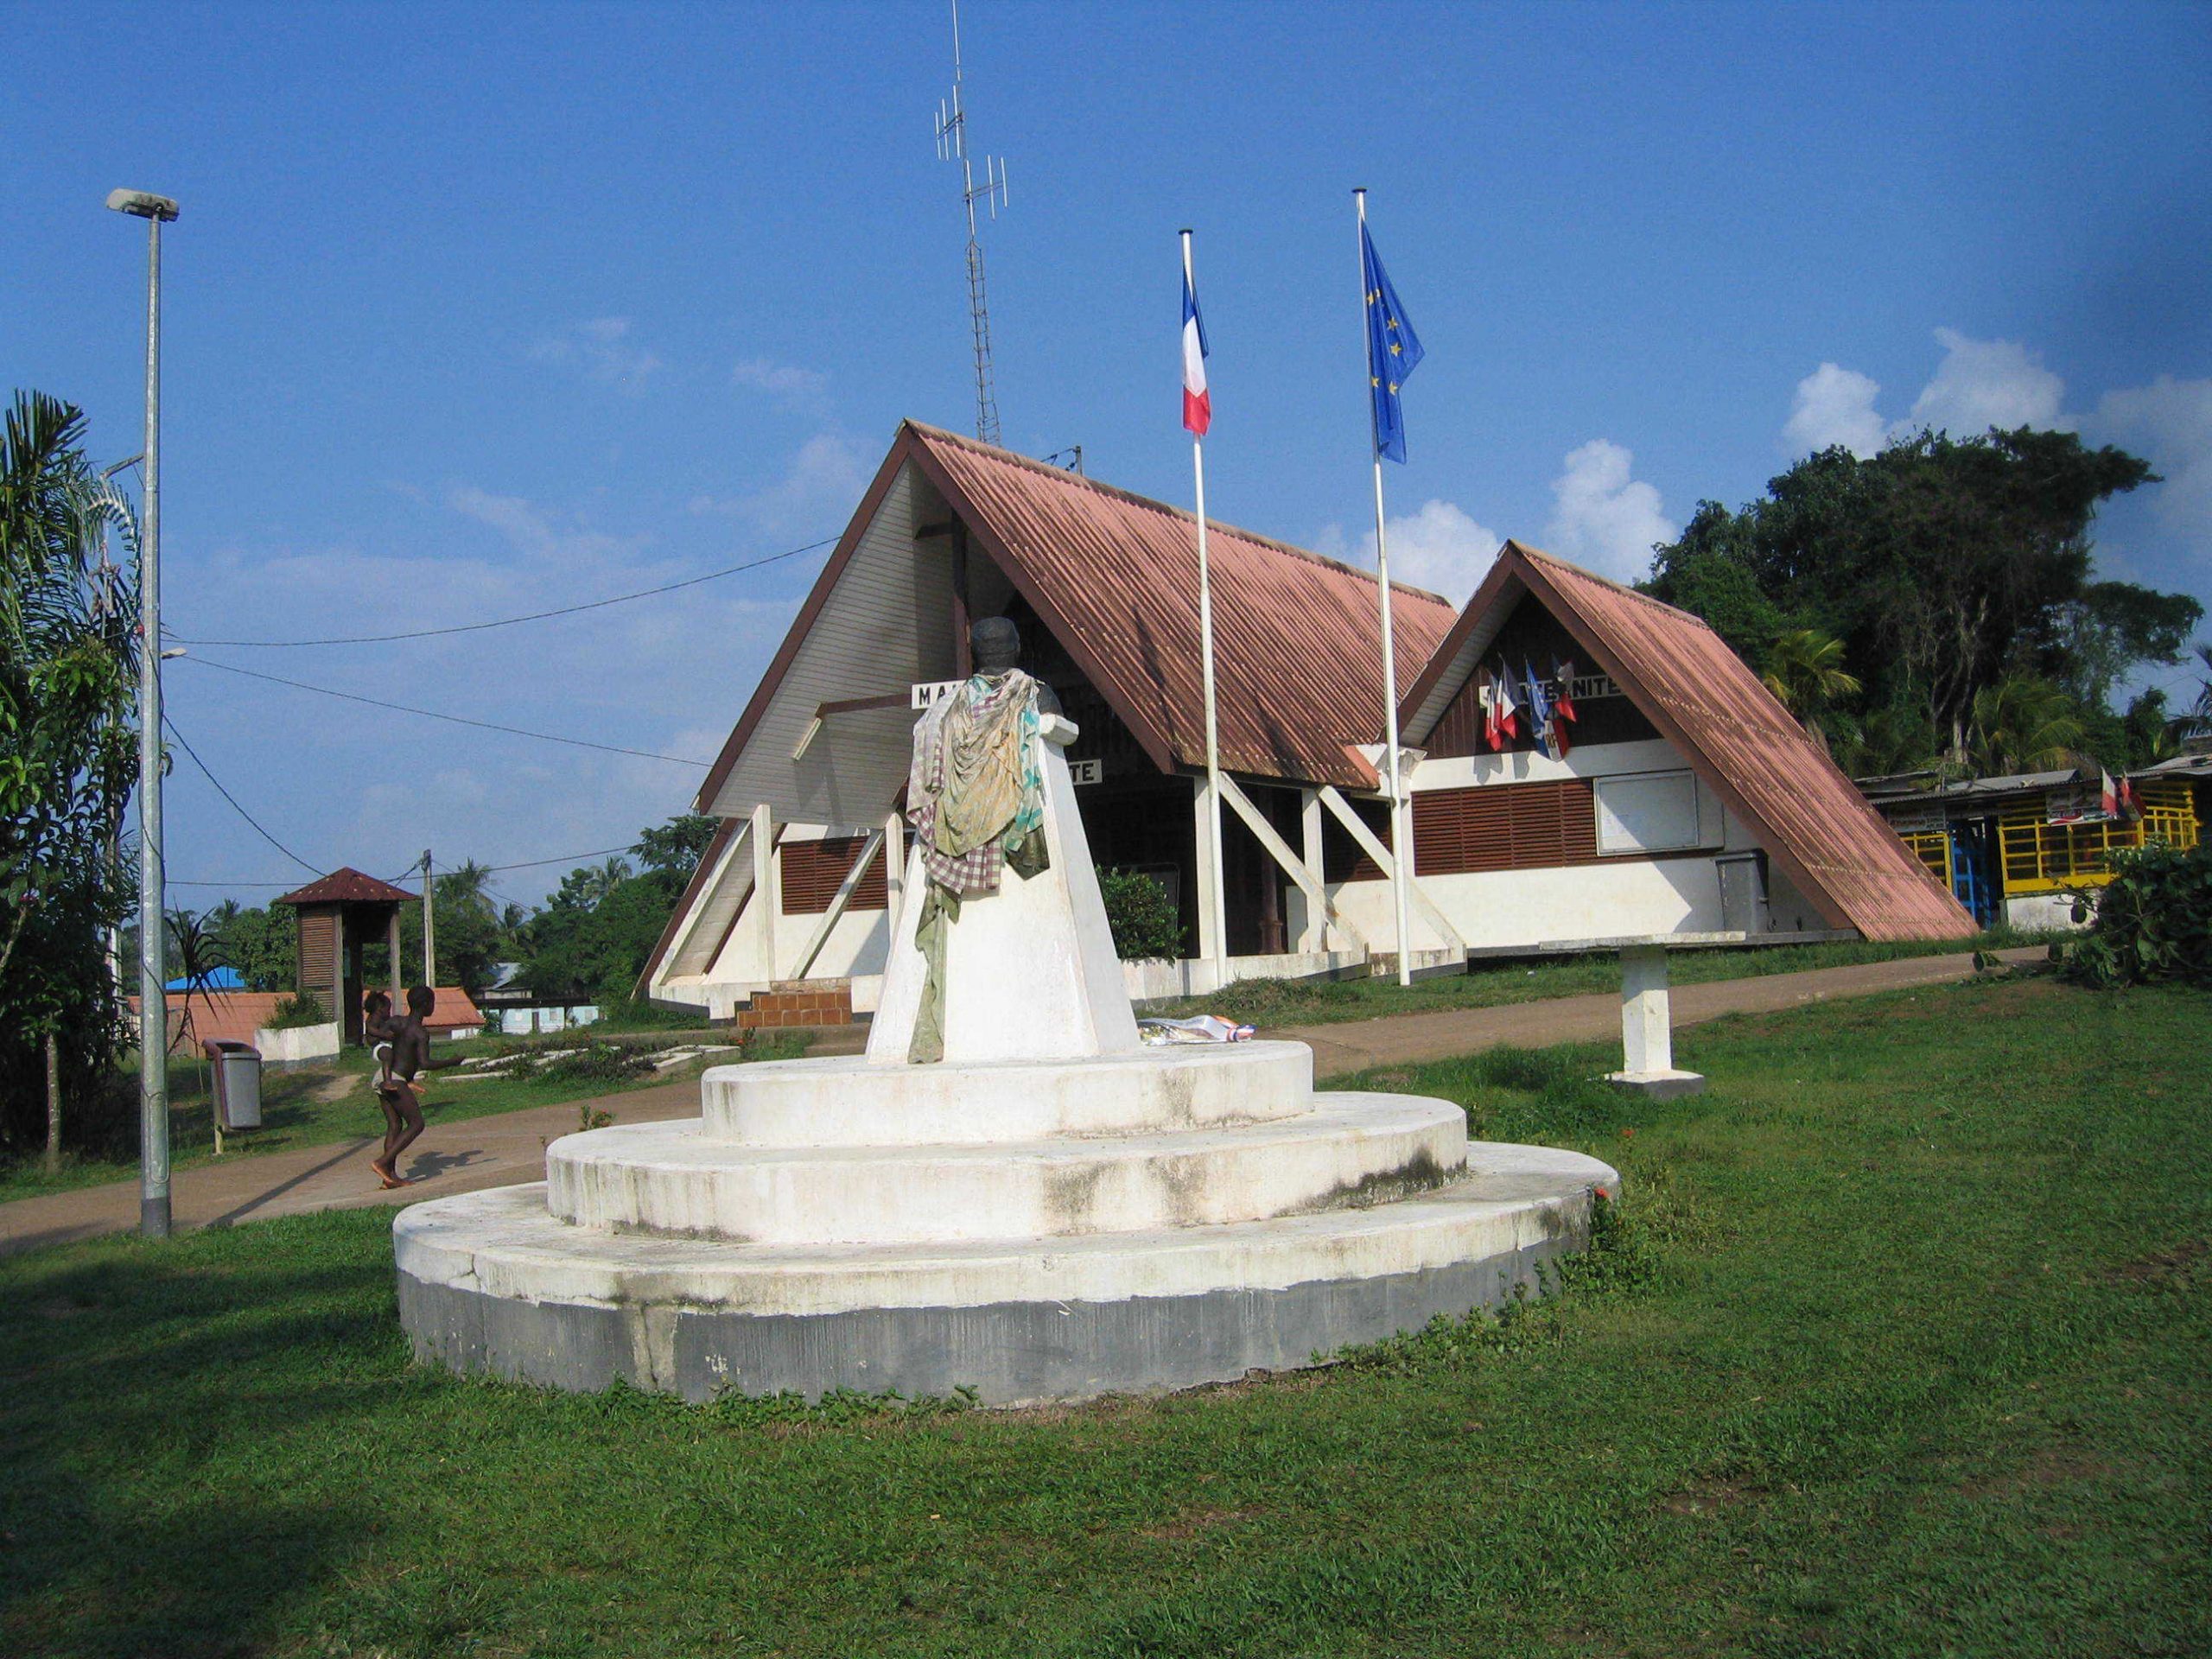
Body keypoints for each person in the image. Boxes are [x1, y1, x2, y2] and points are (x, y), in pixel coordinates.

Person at [369, 985, 461, 1189]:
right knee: (417, 1123)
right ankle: (382, 1163)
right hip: (396, 1080)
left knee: (395, 1126)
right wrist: (451, 1062)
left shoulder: (397, 1022)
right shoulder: (420, 1033)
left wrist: (383, 1048)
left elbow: (375, 1037)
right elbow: (425, 1063)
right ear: (426, 1005)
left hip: (382, 1076)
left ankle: (389, 1177)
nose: (433, 1006)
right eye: (432, 1003)